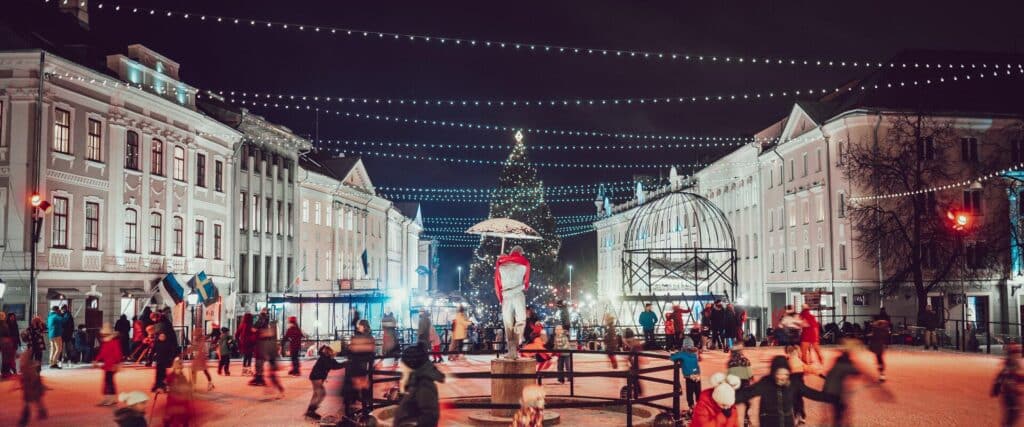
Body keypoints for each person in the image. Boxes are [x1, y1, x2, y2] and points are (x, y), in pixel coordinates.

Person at [736, 355, 833, 427]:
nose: (782, 377)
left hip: (787, 423)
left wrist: (830, 397)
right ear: (774, 373)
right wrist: (730, 398)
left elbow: (811, 393)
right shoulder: (766, 383)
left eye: (785, 374)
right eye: (779, 374)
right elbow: (747, 393)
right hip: (768, 423)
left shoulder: (793, 383)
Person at [393, 343, 445, 427]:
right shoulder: (415, 381)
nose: (401, 367)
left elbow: (429, 417)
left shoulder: (424, 386)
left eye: (403, 365)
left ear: (411, 366)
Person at [496, 245, 531, 359]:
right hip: (518, 294)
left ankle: (511, 348)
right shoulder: (524, 264)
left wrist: (500, 260)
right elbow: (526, 281)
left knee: (508, 324)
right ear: (520, 253)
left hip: (506, 295)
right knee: (520, 320)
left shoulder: (502, 265)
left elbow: (497, 281)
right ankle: (515, 347)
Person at [342, 319, 375, 421]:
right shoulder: (370, 337)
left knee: (351, 389)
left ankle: (350, 411)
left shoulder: (358, 338)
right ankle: (366, 410)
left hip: (355, 367)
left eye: (358, 326)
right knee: (364, 390)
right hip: (364, 367)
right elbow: (371, 354)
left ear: (363, 326)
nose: (357, 327)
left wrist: (347, 347)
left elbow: (350, 351)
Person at [305, 345, 346, 420]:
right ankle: (311, 411)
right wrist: (346, 363)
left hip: (317, 377)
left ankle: (310, 410)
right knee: (321, 393)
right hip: (317, 377)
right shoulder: (325, 358)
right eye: (333, 352)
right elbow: (334, 366)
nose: (335, 353)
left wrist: (345, 363)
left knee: (317, 394)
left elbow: (336, 365)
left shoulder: (327, 358)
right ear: (329, 352)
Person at [992, 344, 1023, 427]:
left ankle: (1007, 424)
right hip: (1008, 394)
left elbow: (1016, 377)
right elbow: (1001, 376)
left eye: (1018, 353)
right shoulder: (1009, 366)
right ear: (1011, 355)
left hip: (1013, 393)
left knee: (1015, 412)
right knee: (1013, 412)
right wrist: (996, 387)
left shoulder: (1015, 364)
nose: (1018, 356)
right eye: (1015, 354)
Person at [670, 337, 702, 417]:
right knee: (698, 392)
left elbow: (672, 358)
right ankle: (700, 406)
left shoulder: (683, 354)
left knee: (690, 393)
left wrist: (674, 354)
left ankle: (691, 408)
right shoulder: (695, 353)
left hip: (689, 377)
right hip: (697, 375)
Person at [94, 323, 123, 406]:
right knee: (108, 382)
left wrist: (116, 364)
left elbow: (118, 354)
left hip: (112, 365)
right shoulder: (106, 342)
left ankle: (110, 399)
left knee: (109, 382)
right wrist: (96, 360)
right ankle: (109, 398)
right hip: (107, 365)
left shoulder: (114, 342)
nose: (102, 337)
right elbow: (102, 353)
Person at [17, 351, 47, 427]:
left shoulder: (29, 369)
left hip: (33, 388)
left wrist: (34, 386)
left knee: (36, 400)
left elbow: (33, 379)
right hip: (29, 388)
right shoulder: (25, 367)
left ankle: (30, 414)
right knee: (33, 401)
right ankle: (39, 412)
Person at [726, 345, 754, 425]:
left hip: (734, 383)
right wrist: (751, 379)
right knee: (746, 400)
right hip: (745, 382)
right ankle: (746, 417)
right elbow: (749, 373)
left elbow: (729, 374)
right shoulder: (745, 360)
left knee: (734, 400)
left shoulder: (730, 362)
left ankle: (732, 417)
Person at [165, 358, 195, 426]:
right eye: (178, 369)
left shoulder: (182, 377)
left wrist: (189, 387)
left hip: (182, 400)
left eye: (180, 369)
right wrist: (165, 388)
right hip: (173, 400)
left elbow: (186, 386)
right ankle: (167, 423)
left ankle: (185, 423)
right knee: (171, 414)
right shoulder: (170, 376)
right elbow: (166, 385)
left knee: (184, 414)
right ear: (174, 368)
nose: (179, 370)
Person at [785, 345, 808, 424]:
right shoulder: (797, 361)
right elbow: (807, 368)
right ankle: (800, 416)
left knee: (795, 401)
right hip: (799, 384)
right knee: (799, 400)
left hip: (793, 385)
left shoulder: (789, 361)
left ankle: (798, 416)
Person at [870, 308, 892, 381]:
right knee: (879, 358)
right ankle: (881, 373)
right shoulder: (879, 328)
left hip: (879, 345)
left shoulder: (878, 327)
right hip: (878, 344)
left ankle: (881, 373)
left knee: (879, 358)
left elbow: (875, 335)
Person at [190, 327, 213, 391]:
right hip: (197, 357)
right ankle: (194, 385)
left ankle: (210, 382)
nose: (194, 334)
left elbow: (201, 348)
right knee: (194, 370)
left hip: (201, 357)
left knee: (204, 370)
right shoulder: (195, 340)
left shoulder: (202, 339)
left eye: (196, 333)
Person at [0, 312, 12, 378]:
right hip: (4, 342)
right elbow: (7, 334)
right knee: (5, 358)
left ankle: (4, 372)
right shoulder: (4, 325)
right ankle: (5, 372)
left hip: (2, 341)